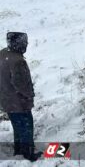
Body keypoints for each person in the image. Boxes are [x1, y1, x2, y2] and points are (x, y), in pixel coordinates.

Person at [0, 32, 42, 161]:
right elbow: (21, 85)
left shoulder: (3, 54)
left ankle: (19, 150)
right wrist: (30, 95)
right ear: (19, 44)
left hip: (6, 99)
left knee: (18, 126)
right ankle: (28, 154)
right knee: (26, 127)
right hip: (19, 102)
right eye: (25, 42)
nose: (27, 45)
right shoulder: (17, 61)